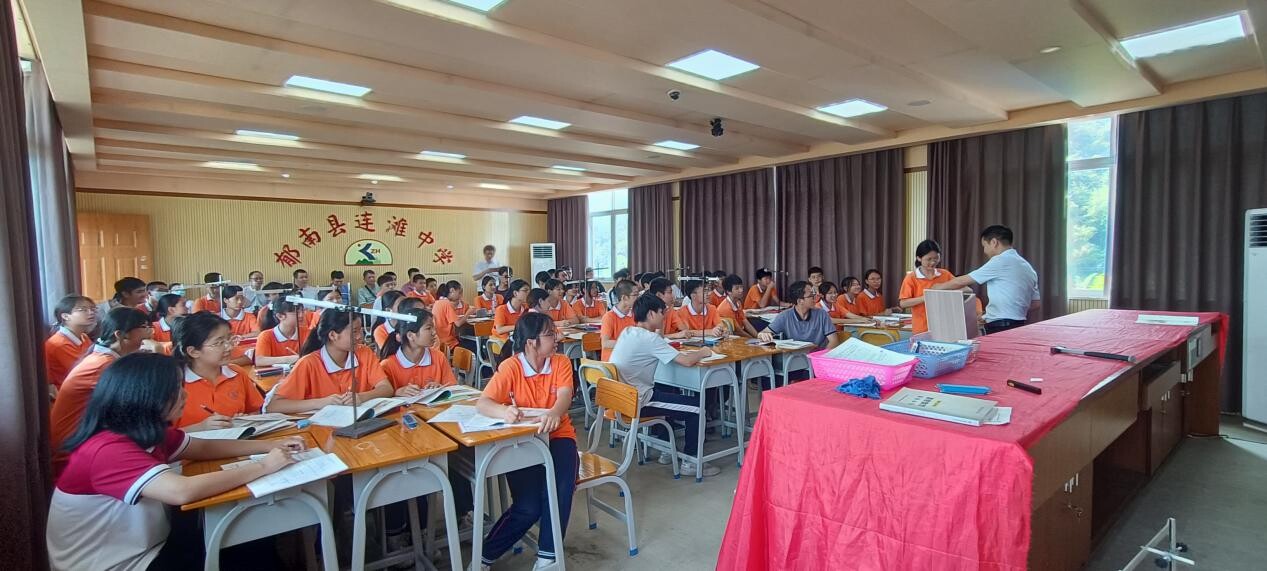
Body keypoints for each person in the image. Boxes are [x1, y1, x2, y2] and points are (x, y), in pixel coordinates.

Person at [47, 352, 304, 571]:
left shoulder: (146, 432)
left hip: (149, 545)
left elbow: (202, 447)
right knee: (246, 545)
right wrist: (263, 466)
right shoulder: (106, 449)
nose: (184, 395)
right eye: (174, 389)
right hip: (121, 564)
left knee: (249, 535)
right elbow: (181, 491)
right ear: (145, 396)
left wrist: (270, 445)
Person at [476, 313, 577, 569]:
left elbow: (565, 396)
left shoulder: (561, 361)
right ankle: (483, 557)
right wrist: (504, 411)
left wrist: (554, 413)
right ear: (531, 342)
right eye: (550, 334)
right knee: (528, 506)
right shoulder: (511, 367)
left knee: (560, 489)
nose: (557, 338)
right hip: (523, 441)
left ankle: (548, 557)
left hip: (558, 436)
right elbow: (483, 403)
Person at [609, 294, 720, 477]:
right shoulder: (650, 339)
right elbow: (686, 361)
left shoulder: (627, 332)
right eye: (662, 312)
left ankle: (667, 449)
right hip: (639, 401)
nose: (664, 316)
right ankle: (691, 462)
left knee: (667, 392)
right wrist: (702, 352)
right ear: (651, 314)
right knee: (697, 407)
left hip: (621, 399)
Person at [49, 307, 153, 478]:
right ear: (121, 335)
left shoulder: (105, 357)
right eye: (144, 327)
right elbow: (141, 401)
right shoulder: (102, 365)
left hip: (87, 440)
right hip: (73, 449)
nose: (150, 332)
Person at [267, 309, 394, 413]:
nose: (360, 336)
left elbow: (386, 388)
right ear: (333, 335)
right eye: (354, 332)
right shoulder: (308, 363)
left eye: (360, 330)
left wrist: (361, 397)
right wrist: (320, 402)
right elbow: (274, 406)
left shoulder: (364, 352)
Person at [931, 225, 1040, 334]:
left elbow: (961, 281)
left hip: (1000, 326)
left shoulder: (1000, 261)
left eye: (984, 246)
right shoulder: (1028, 267)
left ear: (994, 242)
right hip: (1019, 325)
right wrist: (990, 315)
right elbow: (1036, 303)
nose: (984, 251)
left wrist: (937, 287)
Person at [172, 312, 265, 431]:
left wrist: (245, 419)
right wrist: (200, 428)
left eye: (229, 339)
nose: (229, 347)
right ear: (193, 352)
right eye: (218, 343)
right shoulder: (173, 383)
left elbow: (255, 410)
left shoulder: (237, 373)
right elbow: (160, 436)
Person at [379, 308, 456, 394]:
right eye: (428, 328)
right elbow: (380, 397)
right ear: (410, 336)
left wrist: (441, 388)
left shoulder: (439, 357)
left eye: (433, 328)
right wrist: (396, 393)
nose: (434, 332)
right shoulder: (388, 365)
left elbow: (453, 389)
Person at [759, 281, 842, 350]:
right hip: (795, 358)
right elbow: (762, 333)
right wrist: (763, 334)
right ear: (800, 301)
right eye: (811, 295)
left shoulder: (822, 314)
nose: (815, 297)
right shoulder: (784, 316)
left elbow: (834, 341)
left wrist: (820, 358)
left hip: (817, 358)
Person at [899, 240, 958, 334]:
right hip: (922, 328)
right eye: (929, 259)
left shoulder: (945, 274)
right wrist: (927, 296)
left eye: (936, 258)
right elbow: (903, 303)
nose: (933, 262)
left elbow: (967, 289)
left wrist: (942, 288)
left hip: (945, 326)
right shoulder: (911, 277)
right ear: (919, 258)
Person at [46, 294, 97, 390]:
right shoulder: (59, 343)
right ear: (65, 316)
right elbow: (86, 371)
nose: (91, 313)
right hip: (71, 391)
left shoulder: (83, 336)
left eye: (93, 309)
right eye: (83, 310)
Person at [256, 298, 308, 367]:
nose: (301, 315)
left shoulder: (308, 333)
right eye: (296, 312)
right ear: (280, 316)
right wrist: (290, 359)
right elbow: (260, 360)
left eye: (303, 311)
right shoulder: (266, 335)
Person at [432, 280, 475, 354]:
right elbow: (458, 323)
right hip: (448, 343)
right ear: (452, 290)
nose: (460, 296)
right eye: (459, 293)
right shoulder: (446, 304)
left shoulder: (437, 302)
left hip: (440, 341)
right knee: (476, 346)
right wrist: (468, 313)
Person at [600, 280, 637, 360]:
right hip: (612, 361)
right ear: (624, 298)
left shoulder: (635, 314)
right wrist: (630, 344)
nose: (638, 298)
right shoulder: (609, 317)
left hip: (630, 358)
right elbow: (605, 343)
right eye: (635, 295)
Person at [492, 279, 530, 343]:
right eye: (525, 290)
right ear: (515, 293)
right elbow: (500, 330)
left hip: (518, 341)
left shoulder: (526, 308)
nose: (529, 293)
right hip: (501, 343)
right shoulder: (501, 309)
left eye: (529, 291)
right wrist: (520, 327)